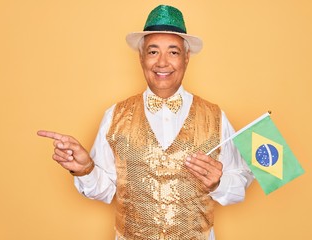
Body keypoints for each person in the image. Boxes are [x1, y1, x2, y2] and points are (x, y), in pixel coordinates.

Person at [38, 5, 254, 240]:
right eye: (153, 52)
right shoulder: (115, 115)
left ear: (186, 58)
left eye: (173, 52)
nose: (162, 63)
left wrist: (219, 183)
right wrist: (85, 169)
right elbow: (106, 190)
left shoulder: (214, 116)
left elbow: (242, 177)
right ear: (141, 58)